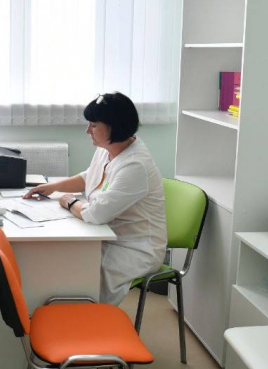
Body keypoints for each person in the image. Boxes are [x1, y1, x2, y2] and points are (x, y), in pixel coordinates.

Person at [25, 92, 167, 307]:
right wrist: (54, 187)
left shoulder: (135, 165)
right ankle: (59, 314)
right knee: (62, 259)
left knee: (84, 275)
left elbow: (95, 214)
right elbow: (90, 176)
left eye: (93, 125)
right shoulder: (108, 149)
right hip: (106, 234)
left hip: (135, 247)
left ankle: (87, 320)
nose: (87, 131)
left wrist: (69, 202)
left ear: (114, 127)